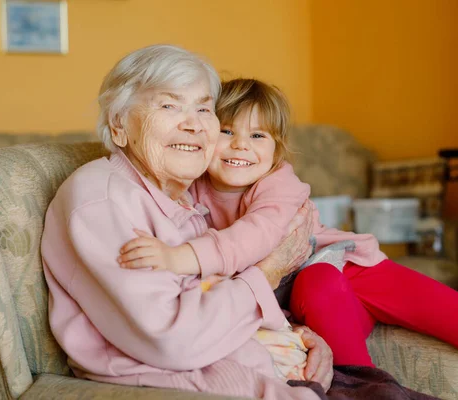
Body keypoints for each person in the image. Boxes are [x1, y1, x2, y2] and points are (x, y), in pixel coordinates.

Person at [118, 78, 458, 400]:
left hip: (350, 265)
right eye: (227, 131)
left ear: (277, 151)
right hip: (310, 291)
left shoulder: (280, 185)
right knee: (323, 296)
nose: (241, 145)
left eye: (258, 136)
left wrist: (180, 257)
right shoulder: (189, 190)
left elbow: (254, 238)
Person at [42, 44, 333, 400]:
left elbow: (215, 292)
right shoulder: (103, 200)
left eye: (204, 108)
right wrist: (270, 271)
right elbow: (174, 339)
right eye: (169, 106)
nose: (193, 124)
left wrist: (293, 334)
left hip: (253, 367)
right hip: (184, 382)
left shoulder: (182, 197)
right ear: (119, 125)